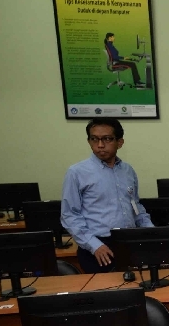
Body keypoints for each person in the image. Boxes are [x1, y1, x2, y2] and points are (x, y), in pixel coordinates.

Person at [61, 117, 153, 274]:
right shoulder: (76, 172)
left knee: (136, 291)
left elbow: (135, 206)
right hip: (97, 247)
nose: (100, 145)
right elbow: (69, 216)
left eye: (107, 139)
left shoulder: (128, 171)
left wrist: (151, 232)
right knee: (107, 296)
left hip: (128, 243)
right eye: (94, 139)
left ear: (120, 142)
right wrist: (94, 245)